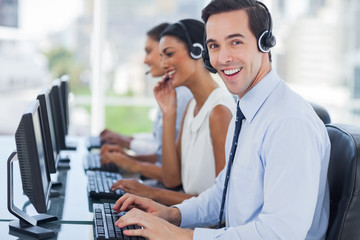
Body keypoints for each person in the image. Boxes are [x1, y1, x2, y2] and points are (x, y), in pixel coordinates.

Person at [111, 0, 331, 239]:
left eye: (236, 42)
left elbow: (280, 233)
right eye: (214, 46)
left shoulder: (289, 123)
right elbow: (224, 193)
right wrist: (171, 214)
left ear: (265, 43)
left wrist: (183, 236)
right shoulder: (246, 110)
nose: (223, 58)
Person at [108, 19, 235, 206]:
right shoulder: (192, 106)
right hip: (186, 216)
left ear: (198, 51)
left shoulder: (220, 112)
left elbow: (222, 205)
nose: (164, 63)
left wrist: (150, 193)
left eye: (169, 54)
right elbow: (172, 179)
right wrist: (169, 113)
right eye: (161, 56)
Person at [100, 23, 192, 171]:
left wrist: (130, 154)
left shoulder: (183, 96)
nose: (145, 60)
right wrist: (127, 144)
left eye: (150, 51)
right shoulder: (170, 91)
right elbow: (160, 146)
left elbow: (169, 161)